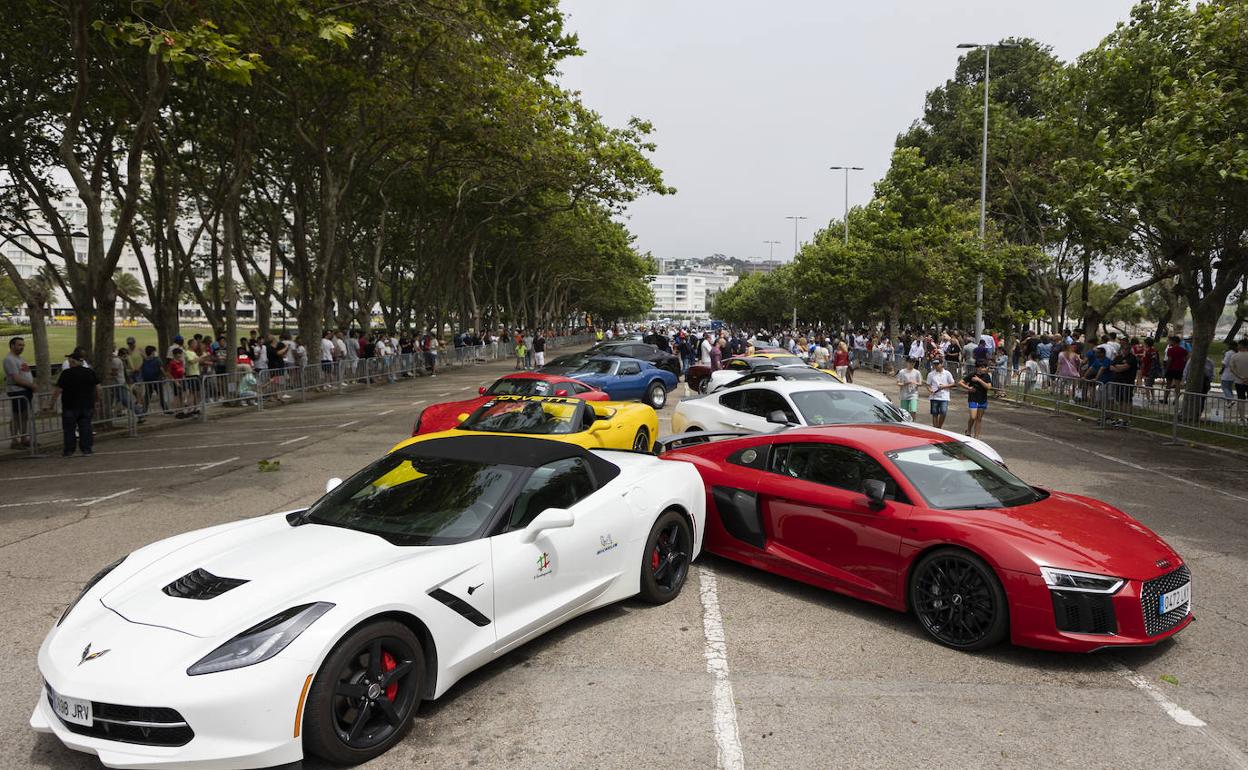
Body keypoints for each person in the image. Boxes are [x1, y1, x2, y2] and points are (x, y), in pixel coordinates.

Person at [53, 351, 99, 456]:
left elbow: (58, 389)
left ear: (73, 361)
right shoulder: (90, 372)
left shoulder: (66, 374)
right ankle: (86, 449)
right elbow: (98, 387)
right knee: (86, 427)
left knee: (69, 429)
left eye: (70, 360)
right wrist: (97, 400)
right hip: (86, 404)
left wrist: (52, 403)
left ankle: (69, 450)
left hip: (70, 405)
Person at [5, 337, 35, 448]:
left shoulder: (20, 358)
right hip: (17, 391)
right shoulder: (9, 360)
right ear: (12, 345)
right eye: (19, 345)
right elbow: (16, 378)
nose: (21, 347)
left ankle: (24, 437)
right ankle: (14, 440)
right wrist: (32, 385)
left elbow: (24, 373)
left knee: (24, 415)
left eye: (23, 345)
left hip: (25, 390)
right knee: (16, 416)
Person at [957, 361, 993, 439]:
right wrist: (968, 388)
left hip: (982, 399)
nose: (984, 369)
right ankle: (968, 430)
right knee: (973, 417)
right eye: (982, 367)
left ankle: (976, 436)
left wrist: (979, 380)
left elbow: (989, 387)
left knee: (979, 419)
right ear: (978, 368)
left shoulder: (987, 376)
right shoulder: (972, 375)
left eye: (985, 367)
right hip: (973, 399)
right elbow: (960, 382)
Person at [926, 358, 954, 428]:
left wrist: (944, 386)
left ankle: (939, 426)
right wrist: (930, 390)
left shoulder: (947, 373)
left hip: (944, 396)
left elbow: (953, 383)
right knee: (935, 413)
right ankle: (935, 428)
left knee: (943, 412)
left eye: (937, 364)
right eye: (934, 364)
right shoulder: (931, 374)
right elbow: (928, 385)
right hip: (934, 396)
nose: (935, 366)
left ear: (942, 364)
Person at [1162, 336, 1188, 404]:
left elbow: (1169, 359)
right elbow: (1185, 359)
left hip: (1171, 368)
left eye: (1170, 341)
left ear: (1173, 341)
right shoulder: (1183, 350)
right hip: (1179, 368)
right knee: (1177, 384)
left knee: (1168, 384)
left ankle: (1165, 399)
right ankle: (1176, 399)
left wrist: (1166, 368)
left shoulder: (1170, 350)